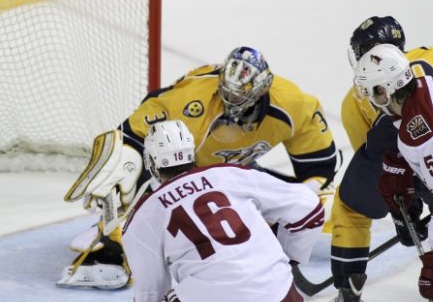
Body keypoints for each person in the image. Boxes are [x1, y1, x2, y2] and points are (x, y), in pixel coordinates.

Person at [57, 46, 339, 288]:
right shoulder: (192, 98)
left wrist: (301, 199)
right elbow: (134, 131)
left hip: (236, 174)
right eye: (226, 92)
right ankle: (113, 241)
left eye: (240, 97)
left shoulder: (294, 105)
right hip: (183, 174)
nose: (231, 103)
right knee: (127, 173)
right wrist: (125, 158)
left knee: (322, 202)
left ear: (263, 89)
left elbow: (320, 167)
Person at [321, 16, 433, 302]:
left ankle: (348, 294)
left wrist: (432, 251)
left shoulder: (366, 93)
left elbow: (373, 154)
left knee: (351, 208)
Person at [123, 119, 325, 302]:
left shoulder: (143, 214)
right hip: (278, 297)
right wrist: (288, 258)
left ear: (151, 163)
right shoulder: (231, 173)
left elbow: (150, 293)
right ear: (191, 152)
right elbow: (311, 209)